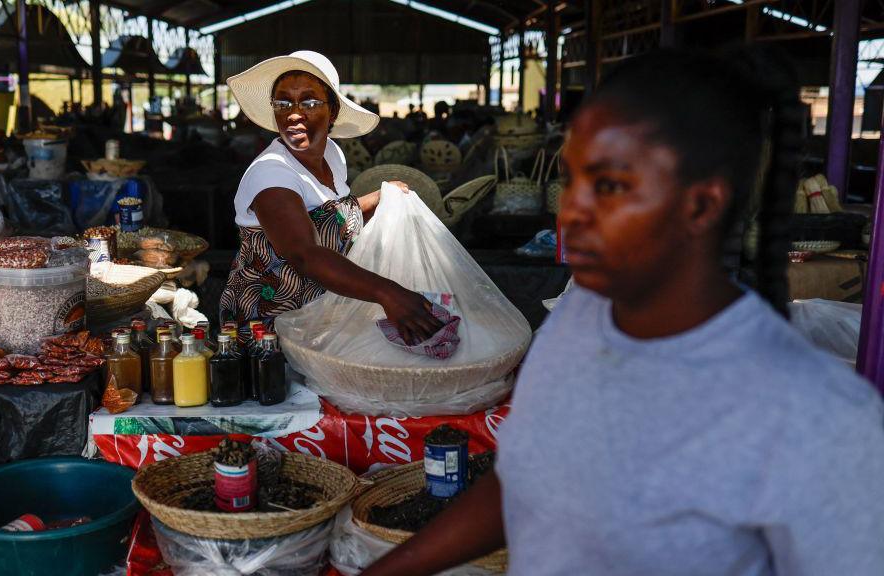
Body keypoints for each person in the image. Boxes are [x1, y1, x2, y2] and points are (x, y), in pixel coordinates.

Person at [362, 48, 884, 576]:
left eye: (609, 186)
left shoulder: (820, 421)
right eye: (573, 179)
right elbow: (532, 475)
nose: (572, 211)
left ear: (701, 205)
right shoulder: (581, 316)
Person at [221, 51, 442, 343]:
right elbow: (305, 254)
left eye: (310, 102)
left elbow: (331, 219)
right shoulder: (270, 175)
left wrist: (381, 197)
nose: (294, 113)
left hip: (318, 318)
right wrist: (389, 293)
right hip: (268, 330)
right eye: (283, 102)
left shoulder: (332, 155)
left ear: (333, 112)